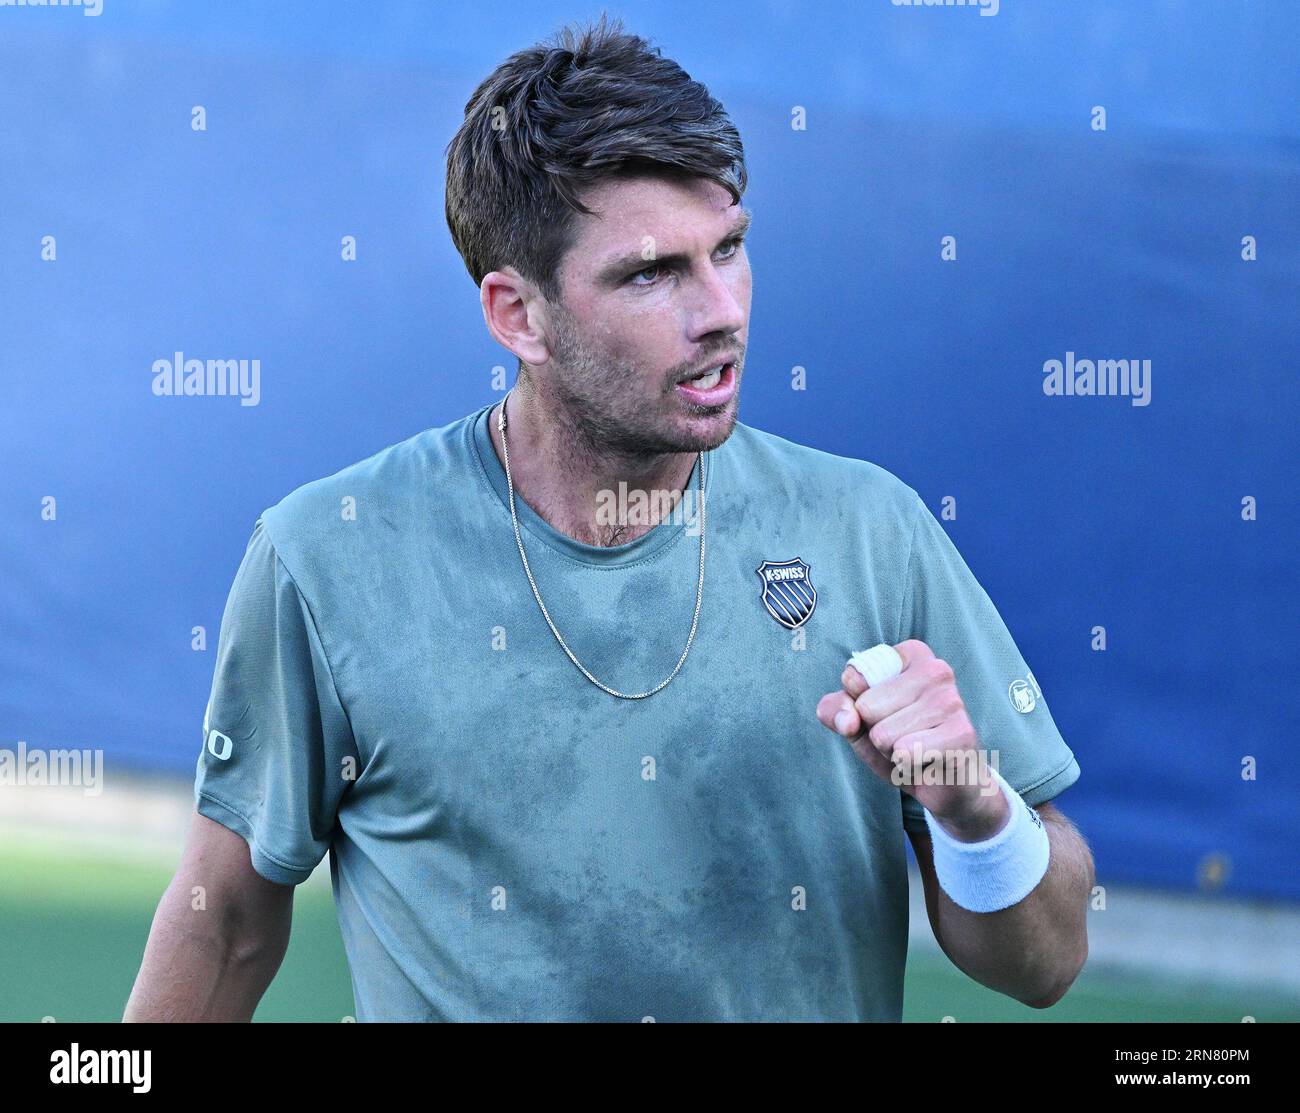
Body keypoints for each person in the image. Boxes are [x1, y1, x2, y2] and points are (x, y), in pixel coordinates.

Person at [125, 15, 1093, 1023]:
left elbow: (1045, 964)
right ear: (517, 315)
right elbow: (225, 921)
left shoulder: (871, 532)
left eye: (730, 249)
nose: (720, 309)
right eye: (651, 273)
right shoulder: (327, 557)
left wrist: (976, 812)